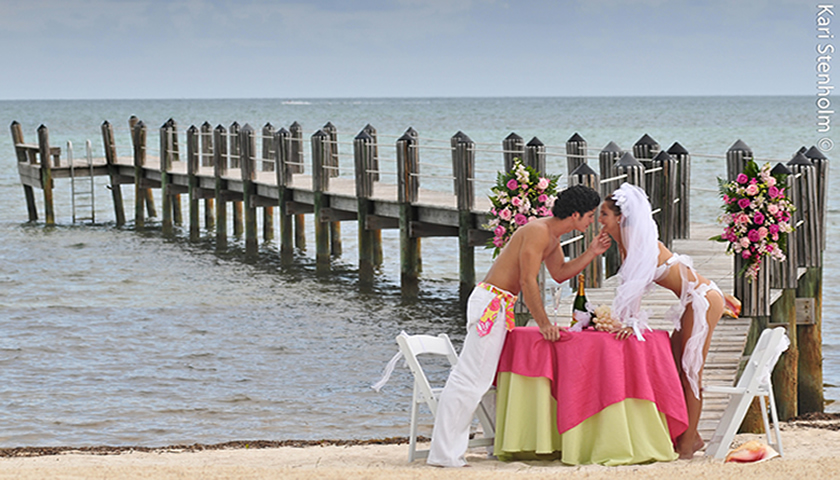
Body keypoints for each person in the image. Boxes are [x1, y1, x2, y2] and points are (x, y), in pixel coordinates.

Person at [427, 184, 611, 468]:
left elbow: (560, 274)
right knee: (470, 380)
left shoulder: (552, 237)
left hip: (501, 306)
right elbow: (528, 281)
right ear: (575, 215)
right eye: (589, 216)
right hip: (491, 305)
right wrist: (545, 324)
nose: (591, 221)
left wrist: (591, 253)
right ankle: (444, 454)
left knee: (486, 379)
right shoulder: (538, 231)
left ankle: (486, 446)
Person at [598, 182, 727, 460]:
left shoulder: (636, 240)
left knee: (691, 372)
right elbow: (631, 288)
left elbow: (635, 288)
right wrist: (626, 320)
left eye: (604, 215)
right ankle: (691, 435)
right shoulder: (624, 243)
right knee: (672, 363)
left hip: (703, 299)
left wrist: (630, 322)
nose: (600, 220)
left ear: (620, 217)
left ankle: (688, 444)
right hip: (693, 299)